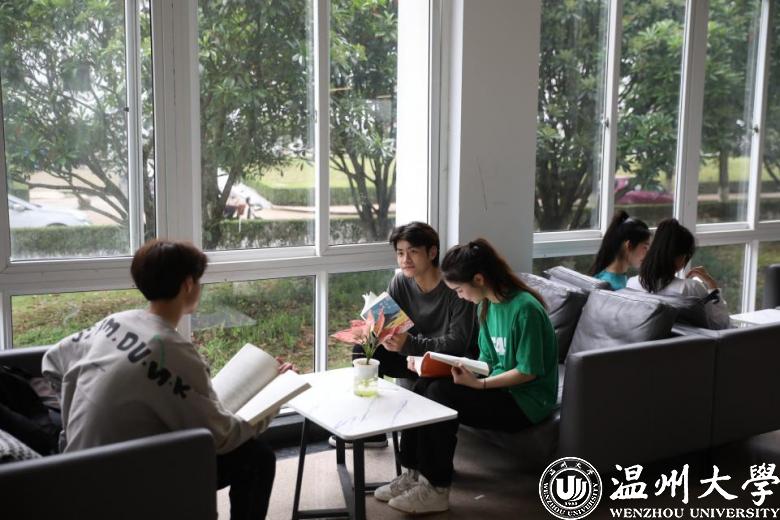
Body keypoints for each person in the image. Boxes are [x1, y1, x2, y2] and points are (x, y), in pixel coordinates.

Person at [42, 239, 290, 519]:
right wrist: (272, 403)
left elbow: (52, 362)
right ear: (188, 284)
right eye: (199, 280)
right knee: (257, 458)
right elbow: (222, 438)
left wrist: (74, 411)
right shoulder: (172, 351)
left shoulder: (115, 321)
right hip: (123, 480)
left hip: (77, 464)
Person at [374, 238, 558, 514]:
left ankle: (436, 488)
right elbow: (486, 362)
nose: (459, 296)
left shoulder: (525, 309)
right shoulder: (487, 306)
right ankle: (412, 473)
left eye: (460, 290)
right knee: (424, 384)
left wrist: (480, 384)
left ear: (479, 279)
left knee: (440, 394)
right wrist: (442, 366)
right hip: (499, 389)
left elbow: (527, 372)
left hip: (526, 402)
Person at [336, 222, 479, 449]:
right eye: (400, 253)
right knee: (363, 348)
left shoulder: (455, 287)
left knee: (429, 375)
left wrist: (410, 344)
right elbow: (387, 322)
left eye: (413, 252)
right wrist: (376, 331)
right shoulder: (401, 281)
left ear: (432, 253)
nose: (405, 260)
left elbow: (458, 344)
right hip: (414, 357)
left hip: (446, 362)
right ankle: (371, 430)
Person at [626, 218, 730, 329]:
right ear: (681, 257)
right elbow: (721, 325)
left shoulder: (632, 284)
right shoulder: (690, 288)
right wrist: (712, 285)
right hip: (689, 340)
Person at [589, 210, 651, 290]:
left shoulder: (615, 276)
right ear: (629, 245)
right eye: (645, 247)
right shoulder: (611, 286)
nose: (647, 253)